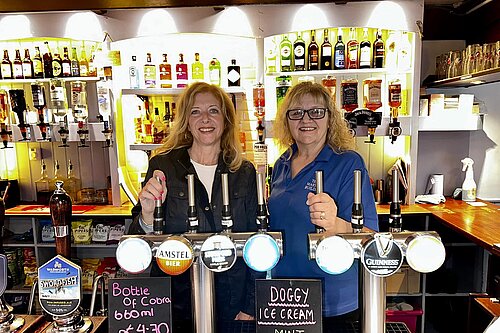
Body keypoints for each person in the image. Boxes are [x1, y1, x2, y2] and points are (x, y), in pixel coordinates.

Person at [128, 82, 262, 331]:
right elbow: (137, 243)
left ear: (226, 119)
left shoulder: (244, 172)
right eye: (195, 112)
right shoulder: (164, 166)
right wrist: (147, 215)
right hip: (177, 303)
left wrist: (251, 306)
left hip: (233, 303)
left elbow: (259, 241)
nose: (205, 119)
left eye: (213, 110)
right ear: (186, 121)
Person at [268, 81, 379, 325]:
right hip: (283, 296)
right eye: (296, 113)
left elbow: (371, 238)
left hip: (332, 301)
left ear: (330, 118)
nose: (305, 120)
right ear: (287, 121)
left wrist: (336, 223)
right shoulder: (281, 164)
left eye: (316, 112)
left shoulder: (348, 163)